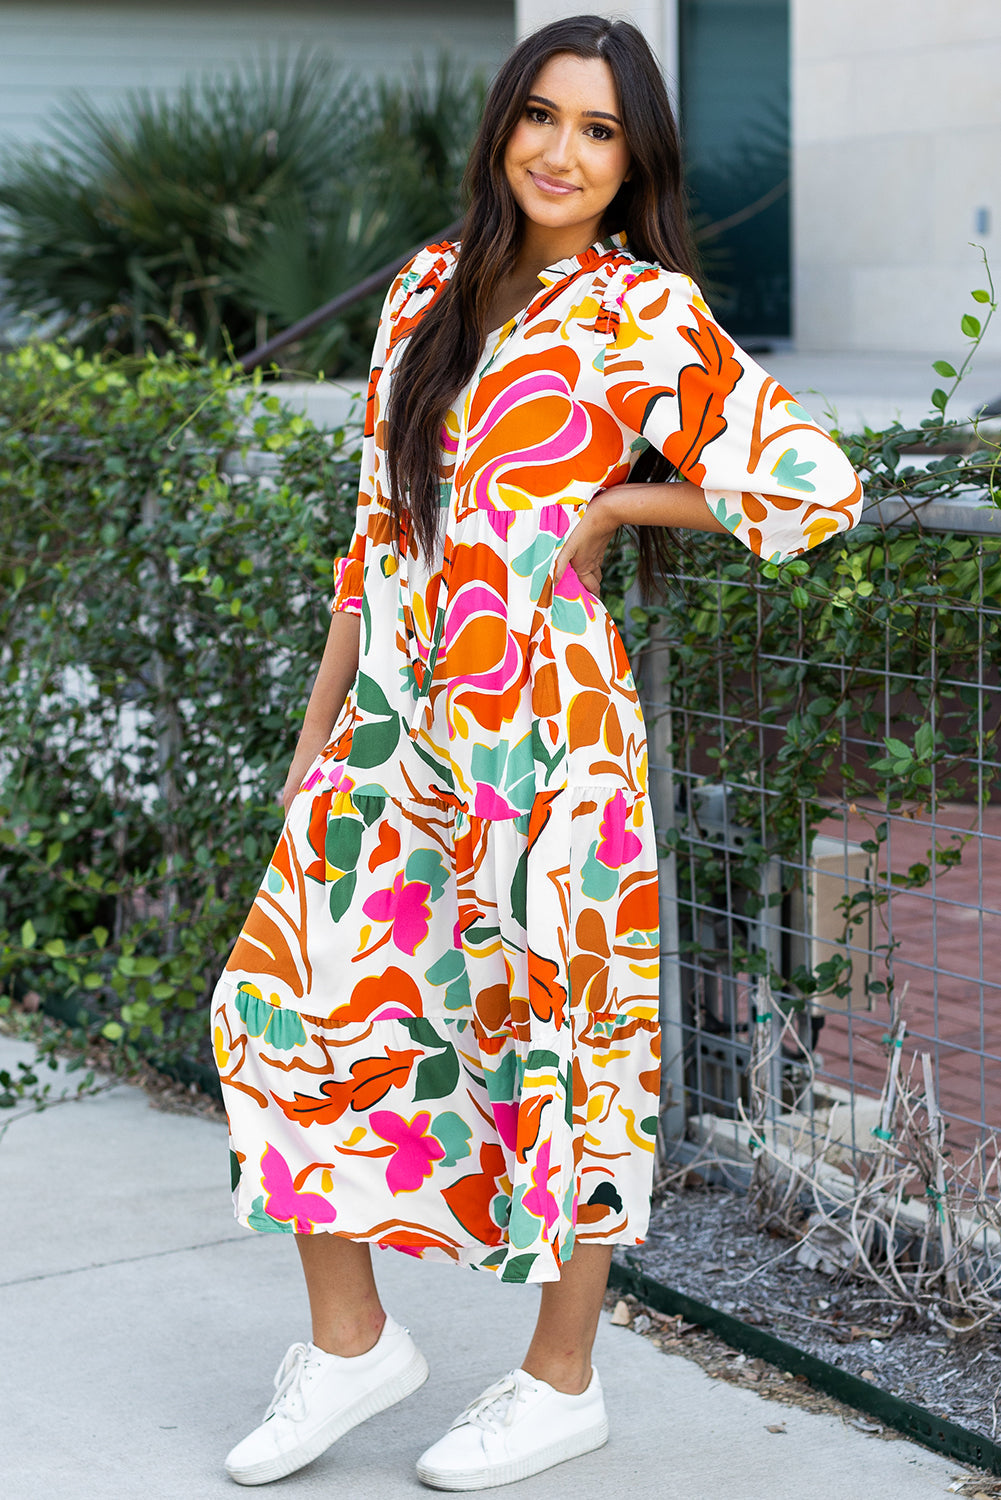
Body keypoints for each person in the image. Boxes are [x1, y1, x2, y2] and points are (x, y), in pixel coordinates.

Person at [211, 13, 862, 1492]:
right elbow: (372, 541)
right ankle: (351, 1345)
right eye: (544, 116)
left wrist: (623, 503)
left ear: (635, 163)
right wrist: (317, 743)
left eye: (600, 130)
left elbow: (812, 487)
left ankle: (561, 1381)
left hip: (550, 737)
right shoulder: (424, 290)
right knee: (283, 1007)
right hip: (394, 729)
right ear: (504, 122)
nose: (563, 151)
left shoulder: (644, 312)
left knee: (568, 1045)